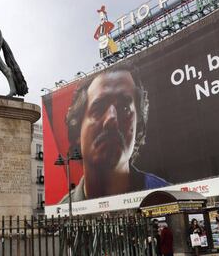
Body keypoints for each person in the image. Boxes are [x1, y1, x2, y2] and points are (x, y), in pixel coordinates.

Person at [59, 66, 169, 203]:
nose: (111, 119)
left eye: (124, 108)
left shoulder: (166, 196)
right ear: (77, 130)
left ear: (138, 126)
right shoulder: (63, 210)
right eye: (98, 109)